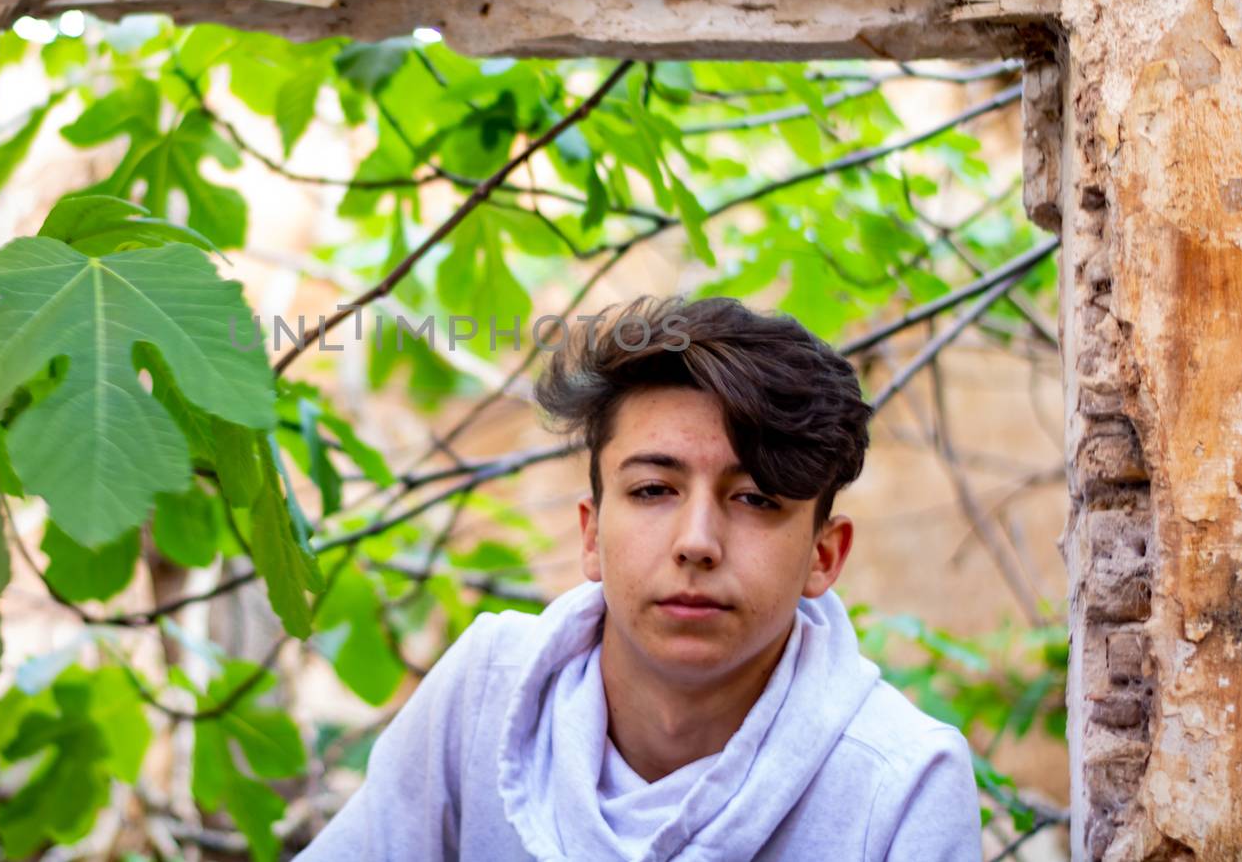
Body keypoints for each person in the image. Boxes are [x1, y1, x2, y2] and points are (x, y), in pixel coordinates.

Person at [297, 295, 982, 861]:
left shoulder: (900, 787)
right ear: (591, 532)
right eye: (654, 489)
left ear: (823, 556)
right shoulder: (488, 695)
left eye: (755, 498)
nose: (697, 543)